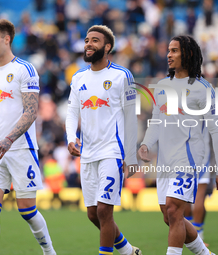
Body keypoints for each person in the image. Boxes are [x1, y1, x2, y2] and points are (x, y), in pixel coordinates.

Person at [138, 35, 218, 255]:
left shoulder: (203, 88)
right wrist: (146, 144)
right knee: (169, 216)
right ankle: (205, 253)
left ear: (188, 54)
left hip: (188, 159)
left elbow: (215, 130)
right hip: (165, 161)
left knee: (173, 209)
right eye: (168, 50)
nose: (168, 55)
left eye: (174, 51)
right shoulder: (161, 86)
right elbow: (156, 122)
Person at [0, 19, 56, 255]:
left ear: (7, 38)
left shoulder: (25, 69)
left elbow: (31, 111)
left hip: (20, 148)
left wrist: (8, 139)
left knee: (27, 211)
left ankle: (49, 251)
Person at [65, 25, 141, 255]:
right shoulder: (78, 77)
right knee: (92, 213)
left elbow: (130, 117)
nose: (88, 44)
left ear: (107, 47)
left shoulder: (122, 75)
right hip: (87, 153)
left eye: (95, 40)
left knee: (104, 212)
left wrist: (130, 155)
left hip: (112, 151)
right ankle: (127, 250)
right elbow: (72, 112)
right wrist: (71, 137)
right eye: (87, 40)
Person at [184, 126, 212, 246]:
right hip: (201, 153)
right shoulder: (206, 107)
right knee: (199, 195)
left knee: (183, 194)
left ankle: (187, 232)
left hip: (182, 153)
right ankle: (198, 235)